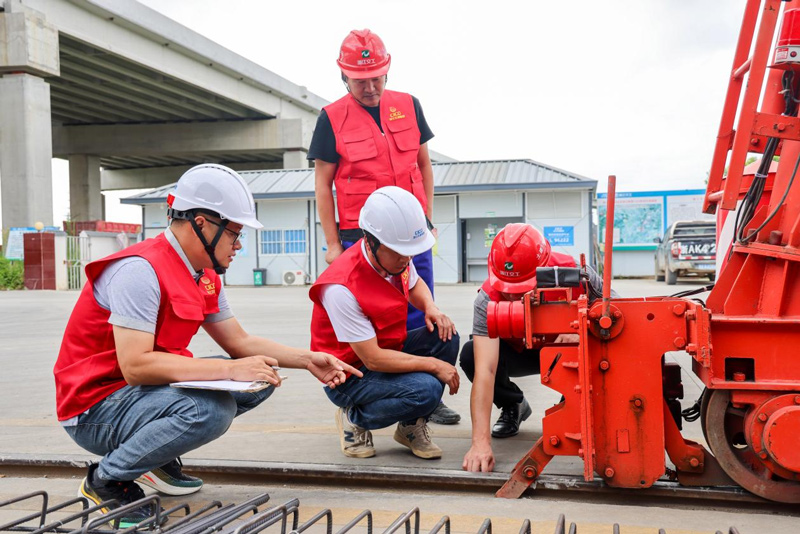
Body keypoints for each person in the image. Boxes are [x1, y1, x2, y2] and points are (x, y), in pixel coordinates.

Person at [54, 164, 360, 524]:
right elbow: (135, 367)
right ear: (202, 223)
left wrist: (307, 359)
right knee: (210, 411)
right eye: (234, 234)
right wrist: (230, 369)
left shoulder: (204, 273)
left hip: (138, 397)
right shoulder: (140, 271)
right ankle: (106, 480)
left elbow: (238, 341)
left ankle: (154, 457)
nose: (240, 245)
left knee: (260, 376)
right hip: (95, 410)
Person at [309, 28, 459, 425]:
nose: (370, 86)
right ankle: (367, 399)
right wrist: (332, 244)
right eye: (361, 81)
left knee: (423, 316)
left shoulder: (409, 105)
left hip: (412, 230)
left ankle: (421, 402)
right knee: (371, 321)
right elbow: (323, 184)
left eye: (377, 77)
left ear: (387, 72)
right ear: (344, 77)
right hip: (362, 235)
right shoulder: (331, 118)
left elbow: (424, 165)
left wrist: (426, 219)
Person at [308, 186, 460, 460]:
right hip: (349, 374)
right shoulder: (342, 286)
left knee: (444, 334)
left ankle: (410, 427)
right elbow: (374, 359)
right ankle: (355, 417)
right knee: (427, 390)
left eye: (410, 252)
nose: (407, 258)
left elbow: (414, 283)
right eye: (400, 252)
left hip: (386, 348)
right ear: (370, 240)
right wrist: (435, 366)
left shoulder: (397, 257)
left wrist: (431, 307)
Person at [461, 223, 612, 473]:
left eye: (521, 290)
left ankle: (574, 405)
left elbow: (616, 322)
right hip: (520, 353)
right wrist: (479, 444)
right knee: (470, 355)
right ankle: (513, 405)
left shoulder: (578, 276)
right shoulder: (487, 298)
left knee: (601, 349)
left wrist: (580, 330)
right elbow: (485, 371)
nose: (513, 298)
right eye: (507, 291)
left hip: (564, 352)